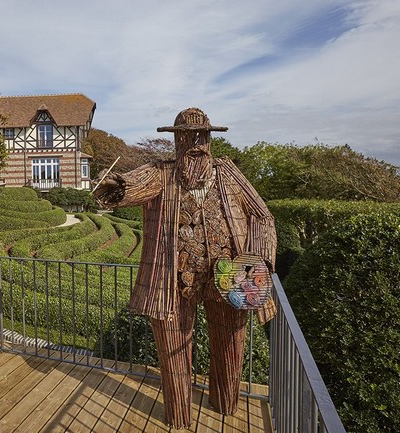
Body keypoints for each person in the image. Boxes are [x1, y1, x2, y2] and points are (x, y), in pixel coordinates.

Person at [93, 107, 277, 428]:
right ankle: (179, 416)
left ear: (209, 138)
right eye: (186, 136)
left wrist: (257, 265)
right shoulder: (160, 174)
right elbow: (128, 188)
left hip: (229, 277)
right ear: (176, 140)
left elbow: (261, 216)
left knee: (230, 347)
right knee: (174, 355)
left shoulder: (229, 173)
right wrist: (114, 186)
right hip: (171, 281)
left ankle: (225, 403)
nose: (194, 142)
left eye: (200, 136)